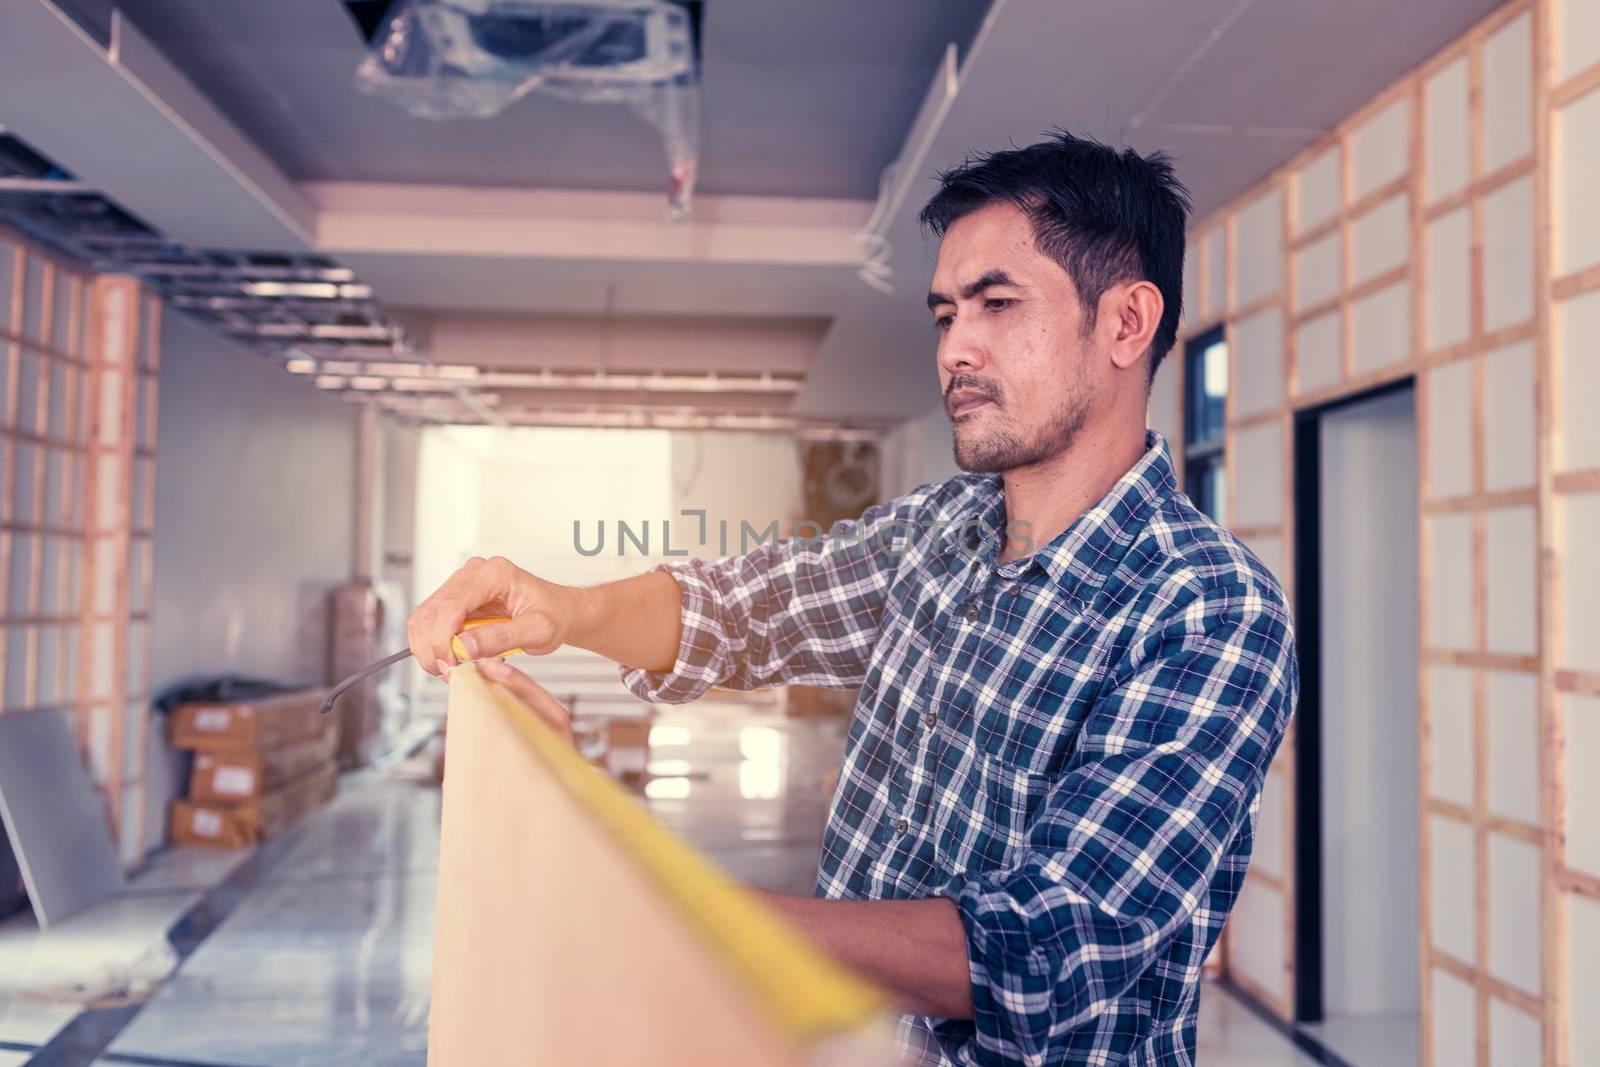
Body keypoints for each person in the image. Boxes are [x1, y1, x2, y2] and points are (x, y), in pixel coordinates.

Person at [407, 130, 1298, 1066]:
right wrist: (561, 608)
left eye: (998, 304)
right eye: (947, 314)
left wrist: (663, 904)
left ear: (1125, 324)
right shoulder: (937, 533)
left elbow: (1044, 949)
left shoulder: (1206, 611)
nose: (957, 347)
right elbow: (744, 610)